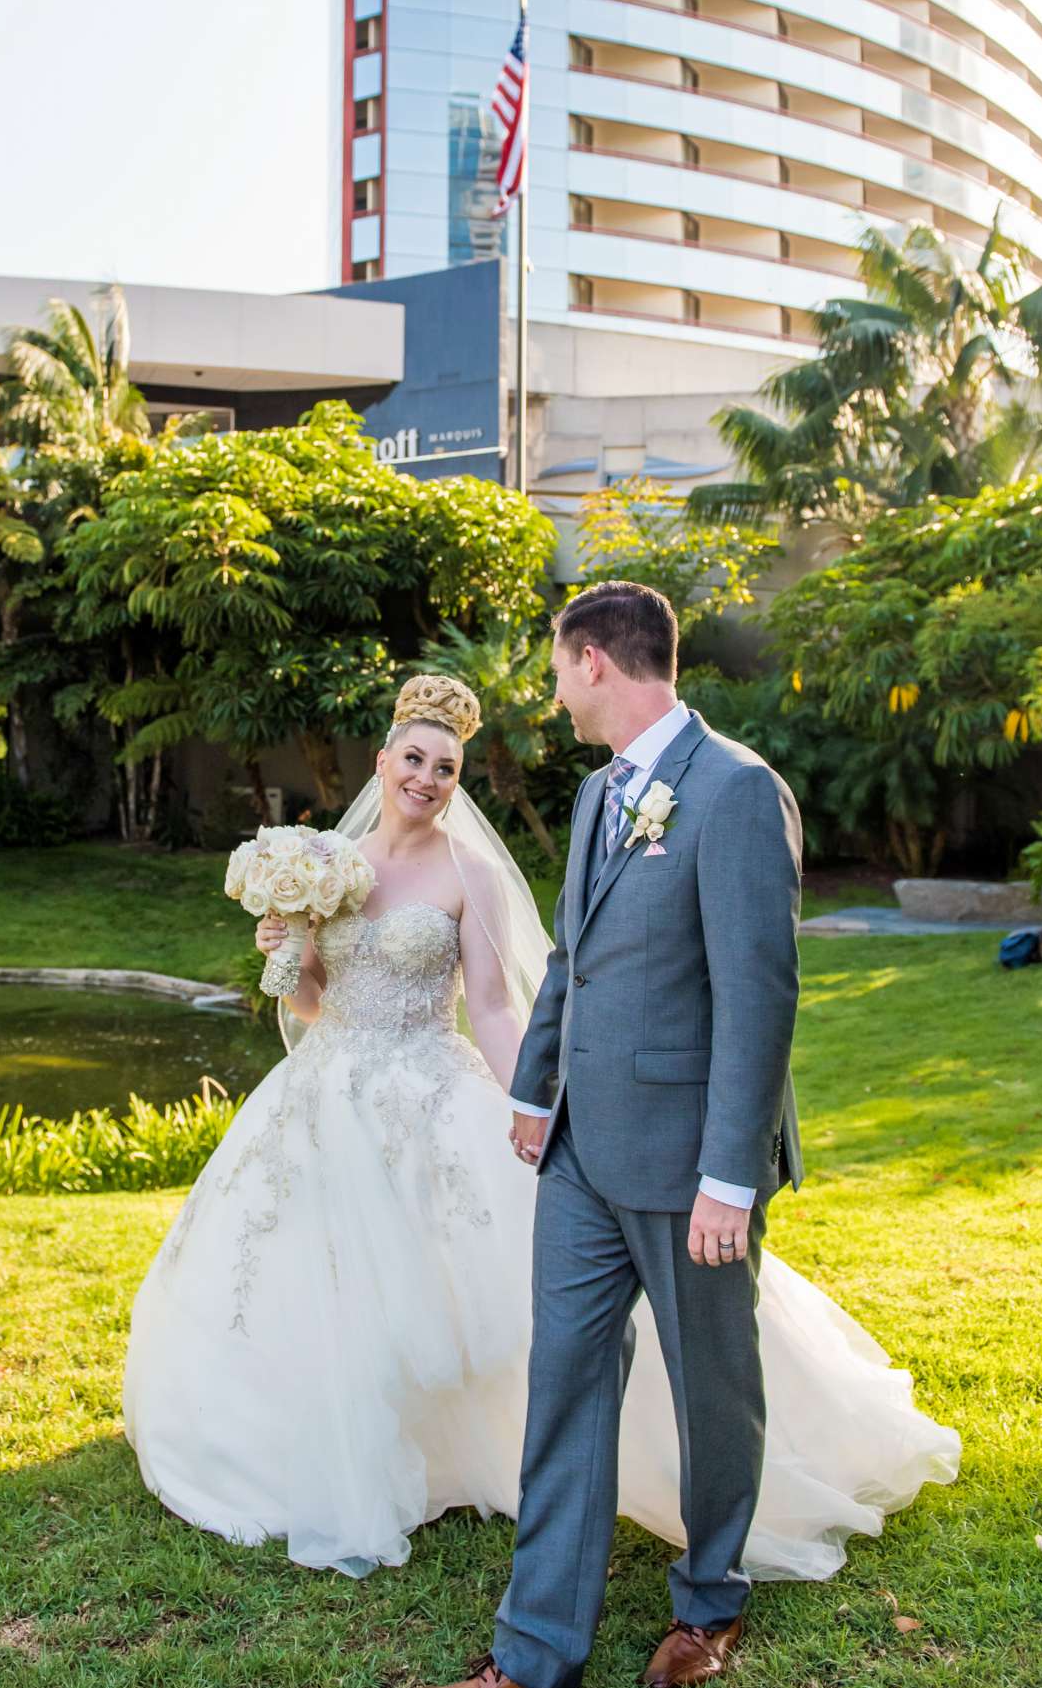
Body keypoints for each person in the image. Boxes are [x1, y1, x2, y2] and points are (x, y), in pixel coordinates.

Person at [124, 652, 957, 1628]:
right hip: (325, 1094)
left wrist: (533, 1099)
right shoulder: (330, 867)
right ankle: (347, 1448)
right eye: (413, 758)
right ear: (384, 757)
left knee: (492, 1290)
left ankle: (520, 1460)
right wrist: (281, 957)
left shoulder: (467, 870)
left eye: (445, 768)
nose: (426, 779)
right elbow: (312, 1003)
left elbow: (491, 1004)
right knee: (324, 1279)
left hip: (430, 1091)